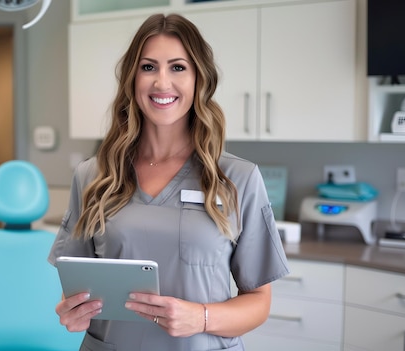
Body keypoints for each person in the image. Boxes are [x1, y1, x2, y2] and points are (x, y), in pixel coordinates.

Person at [48, 13, 289, 351]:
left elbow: (259, 301)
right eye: (148, 67)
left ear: (198, 79)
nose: (162, 83)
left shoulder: (237, 179)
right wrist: (71, 311)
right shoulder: (93, 176)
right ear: (132, 79)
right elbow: (76, 287)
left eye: (178, 67)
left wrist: (201, 318)